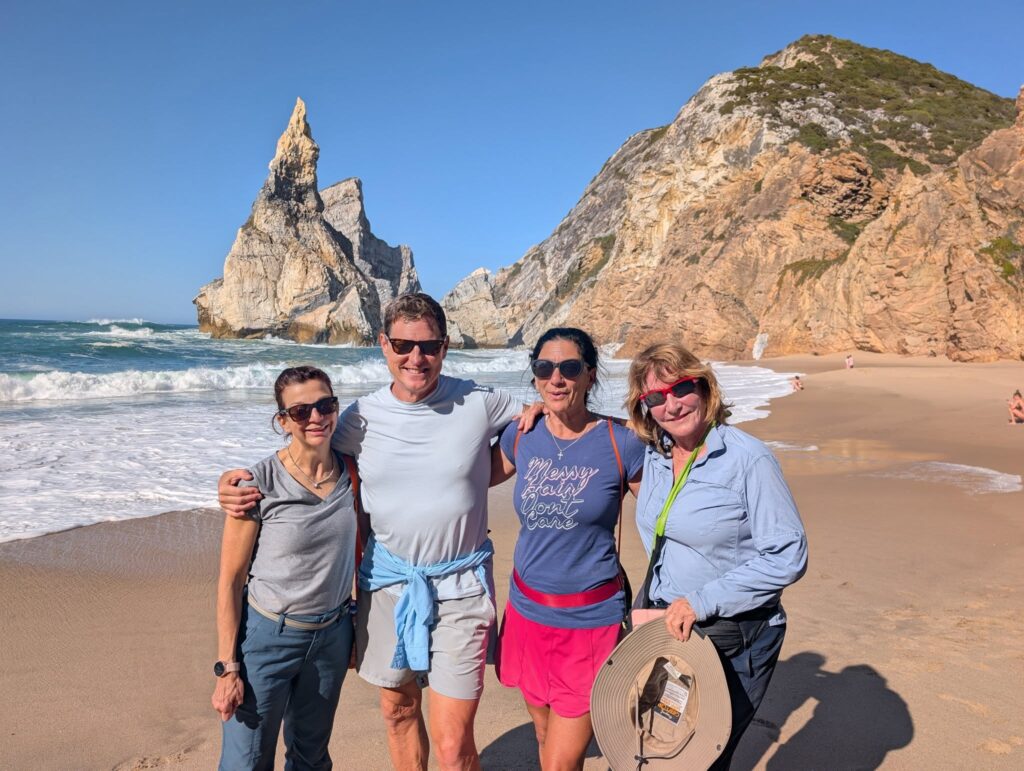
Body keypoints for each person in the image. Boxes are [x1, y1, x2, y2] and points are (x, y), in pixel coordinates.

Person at [218, 293, 531, 771]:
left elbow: (545, 422)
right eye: (403, 345)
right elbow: (304, 460)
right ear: (384, 344)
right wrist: (230, 484)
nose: (416, 357)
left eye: (429, 346)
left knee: (452, 744)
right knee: (397, 712)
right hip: (385, 585)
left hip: (460, 586)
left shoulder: (480, 401)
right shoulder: (358, 420)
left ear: (445, 347)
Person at [626, 342, 807, 770]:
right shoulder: (656, 454)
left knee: (701, 757)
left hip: (732, 632)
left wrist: (700, 601)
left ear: (705, 387)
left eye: (681, 388)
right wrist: (541, 409)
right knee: (662, 747)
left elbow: (788, 554)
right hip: (669, 626)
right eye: (656, 397)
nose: (671, 405)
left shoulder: (747, 460)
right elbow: (587, 425)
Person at [490, 328, 644, 770]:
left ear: (590, 375)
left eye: (569, 368)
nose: (556, 378)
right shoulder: (522, 435)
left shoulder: (621, 442)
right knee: (544, 737)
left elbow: (666, 519)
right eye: (544, 368)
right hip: (526, 615)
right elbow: (464, 477)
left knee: (560, 761)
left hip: (591, 622)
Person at [212, 366, 358, 770]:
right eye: (300, 411)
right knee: (246, 762)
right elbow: (230, 581)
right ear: (283, 422)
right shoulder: (256, 485)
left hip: (332, 637)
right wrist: (227, 668)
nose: (316, 417)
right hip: (266, 640)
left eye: (325, 405)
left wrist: (356, 626)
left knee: (311, 758)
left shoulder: (354, 473)